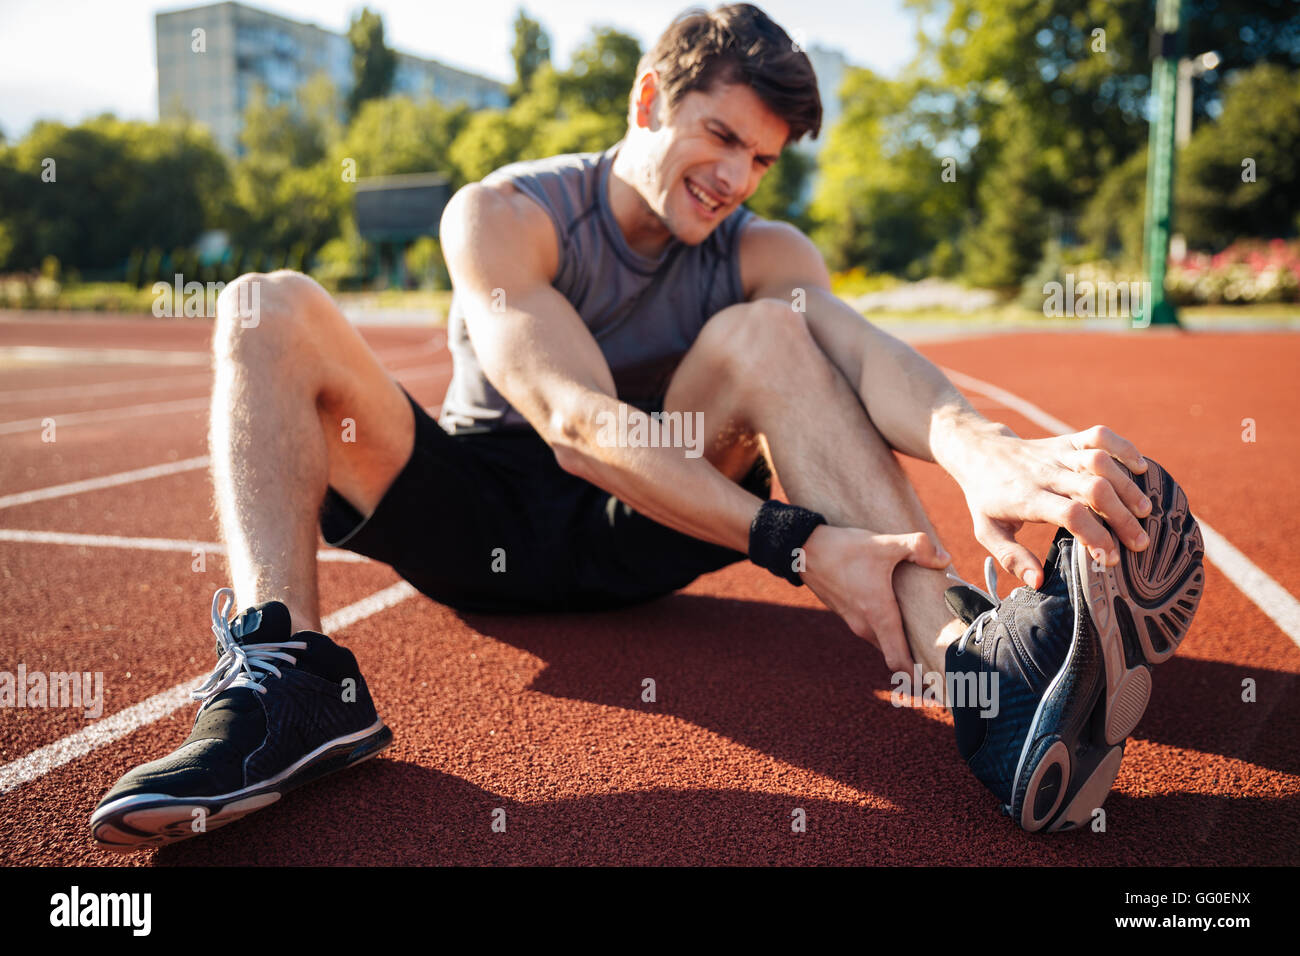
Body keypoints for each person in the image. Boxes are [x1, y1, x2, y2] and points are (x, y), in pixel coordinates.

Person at [90, 3, 1204, 850]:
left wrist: (980, 450)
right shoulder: (505, 215)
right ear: (645, 101)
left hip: (647, 515)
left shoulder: (759, 250)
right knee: (264, 305)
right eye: (716, 134)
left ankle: (979, 673)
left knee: (777, 333)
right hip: (475, 509)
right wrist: (794, 540)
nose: (731, 178)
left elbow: (862, 352)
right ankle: (288, 672)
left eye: (760, 159)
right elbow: (571, 421)